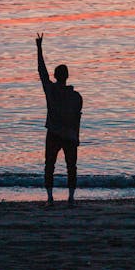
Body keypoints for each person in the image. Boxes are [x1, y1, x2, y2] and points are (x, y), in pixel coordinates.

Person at [36, 32, 83, 207]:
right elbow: (77, 119)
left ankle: (50, 198)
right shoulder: (76, 97)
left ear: (55, 76)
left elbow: (41, 72)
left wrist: (39, 49)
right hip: (70, 135)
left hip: (54, 133)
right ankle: (71, 198)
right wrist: (77, 137)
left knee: (50, 165)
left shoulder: (51, 91)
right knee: (71, 167)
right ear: (67, 76)